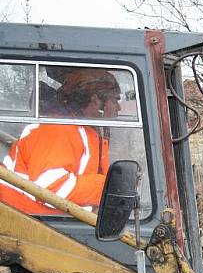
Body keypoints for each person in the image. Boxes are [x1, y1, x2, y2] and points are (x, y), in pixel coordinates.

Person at [1, 68, 121, 214]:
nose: (118, 107)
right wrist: (109, 186)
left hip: (48, 222)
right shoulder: (58, 130)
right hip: (25, 223)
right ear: (96, 101)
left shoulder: (83, 131)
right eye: (115, 100)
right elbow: (51, 188)